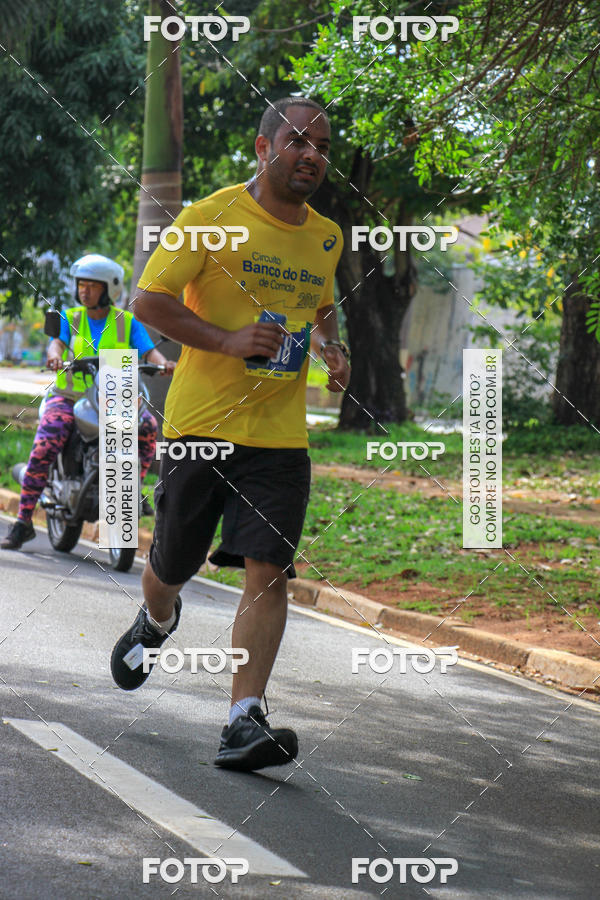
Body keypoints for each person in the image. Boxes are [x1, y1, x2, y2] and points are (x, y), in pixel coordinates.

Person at [110, 97, 350, 771]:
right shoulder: (208, 218)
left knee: (268, 573)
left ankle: (243, 720)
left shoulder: (327, 235)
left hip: (279, 438)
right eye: (299, 141)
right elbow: (149, 301)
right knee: (172, 566)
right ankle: (156, 619)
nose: (313, 155)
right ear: (262, 146)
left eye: (324, 146)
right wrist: (225, 338)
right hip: (201, 428)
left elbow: (321, 302)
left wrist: (333, 349)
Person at [1, 254, 175, 551]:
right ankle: (23, 522)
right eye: (81, 285)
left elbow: (148, 352)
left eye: (92, 286)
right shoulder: (71, 317)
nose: (84, 291)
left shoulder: (126, 322)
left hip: (112, 398)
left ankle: (130, 494)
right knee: (50, 438)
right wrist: (55, 354)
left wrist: (163, 364)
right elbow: (58, 340)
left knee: (146, 426)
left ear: (109, 289)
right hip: (69, 398)